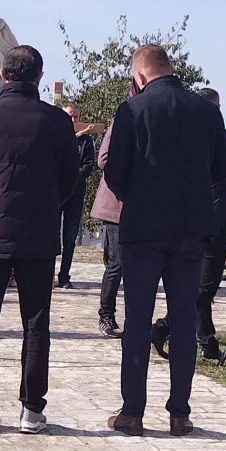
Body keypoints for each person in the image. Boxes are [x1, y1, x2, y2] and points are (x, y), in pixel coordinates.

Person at [104, 45, 226, 437]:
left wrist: (136, 198)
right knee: (184, 319)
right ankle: (180, 413)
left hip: (142, 228)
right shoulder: (207, 111)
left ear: (140, 75)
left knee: (137, 320)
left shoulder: (131, 109)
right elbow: (220, 172)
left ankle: (132, 413)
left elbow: (114, 170)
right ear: (171, 68)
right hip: (191, 229)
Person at [0, 45, 79, 434]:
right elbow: (69, 180)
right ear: (39, 77)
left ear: (4, 74)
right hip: (39, 235)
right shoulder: (58, 122)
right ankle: (32, 409)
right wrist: (47, 206)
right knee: (36, 323)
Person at [152, 88, 226, 360]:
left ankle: (207, 343)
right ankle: (164, 327)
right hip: (215, 219)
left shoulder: (182, 138)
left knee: (198, 281)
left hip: (186, 217)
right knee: (206, 286)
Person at [91, 121, 124, 338]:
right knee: (117, 263)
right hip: (116, 206)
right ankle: (106, 315)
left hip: (143, 208)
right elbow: (103, 160)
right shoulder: (121, 123)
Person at [58, 103, 95, 289]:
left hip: (75, 193)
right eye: (69, 116)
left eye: (76, 117)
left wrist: (73, 177)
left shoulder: (86, 140)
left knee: (70, 238)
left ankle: (64, 275)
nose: (73, 120)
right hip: (56, 194)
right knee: (50, 236)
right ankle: (46, 275)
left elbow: (89, 165)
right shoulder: (55, 136)